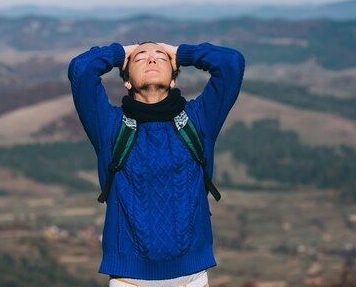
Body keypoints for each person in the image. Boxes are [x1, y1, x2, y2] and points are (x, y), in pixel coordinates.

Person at [68, 41, 244, 287]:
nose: (151, 59)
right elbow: (81, 69)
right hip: (129, 279)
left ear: (174, 80)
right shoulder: (109, 126)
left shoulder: (199, 119)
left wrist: (182, 52)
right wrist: (121, 53)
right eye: (140, 59)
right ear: (126, 81)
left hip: (191, 278)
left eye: (160, 57)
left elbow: (231, 63)